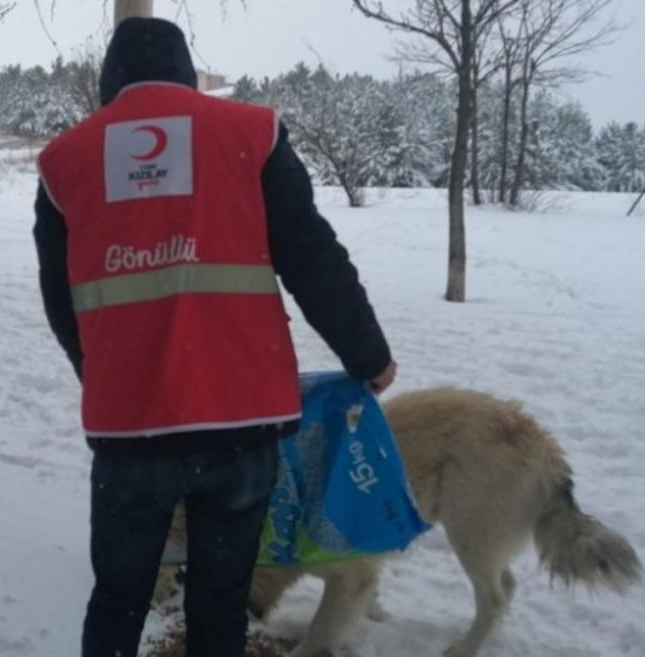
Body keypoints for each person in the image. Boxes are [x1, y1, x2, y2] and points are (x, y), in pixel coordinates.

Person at [33, 17, 397, 657]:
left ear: (109, 81)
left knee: (118, 595)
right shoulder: (252, 133)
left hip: (128, 427)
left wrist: (102, 375)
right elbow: (310, 254)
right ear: (187, 72)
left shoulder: (64, 160)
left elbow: (61, 297)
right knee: (221, 596)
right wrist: (367, 354)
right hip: (241, 419)